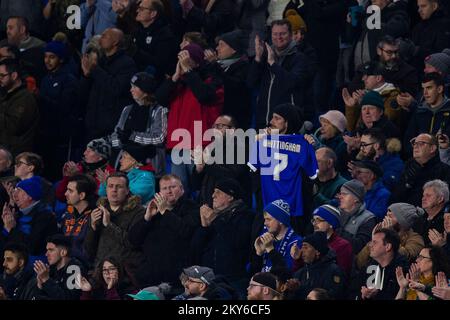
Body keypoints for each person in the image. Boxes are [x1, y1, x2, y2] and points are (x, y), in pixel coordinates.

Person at [156, 42, 224, 194]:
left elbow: (205, 96)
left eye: (187, 60)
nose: (183, 64)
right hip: (178, 146)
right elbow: (159, 98)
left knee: (201, 190)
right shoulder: (178, 84)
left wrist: (189, 71)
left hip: (201, 145)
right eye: (181, 60)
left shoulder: (211, 80)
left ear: (197, 61)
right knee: (179, 192)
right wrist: (174, 77)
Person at [128, 174, 200, 287]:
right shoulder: (152, 211)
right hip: (150, 276)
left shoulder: (191, 207)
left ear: (182, 189)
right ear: (159, 192)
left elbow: (186, 232)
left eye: (172, 187)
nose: (169, 191)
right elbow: (133, 240)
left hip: (179, 276)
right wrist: (146, 218)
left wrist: (165, 211)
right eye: (164, 188)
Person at [247, 19, 315, 127]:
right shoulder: (265, 56)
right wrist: (258, 58)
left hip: (286, 123)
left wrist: (273, 64)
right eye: (275, 34)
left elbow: (292, 82)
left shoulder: (300, 58)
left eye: (283, 34)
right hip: (264, 120)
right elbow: (251, 82)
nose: (278, 37)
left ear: (291, 35)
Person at [190, 178, 254, 293]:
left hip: (234, 281)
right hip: (210, 281)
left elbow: (237, 241)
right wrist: (204, 226)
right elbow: (195, 249)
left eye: (218, 192)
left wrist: (215, 219)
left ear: (230, 196)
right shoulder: (215, 218)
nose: (213, 196)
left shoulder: (246, 216)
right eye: (213, 192)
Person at [80, 27, 137, 141]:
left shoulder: (127, 63)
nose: (101, 38)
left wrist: (95, 69)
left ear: (115, 42)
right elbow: (83, 93)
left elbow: (116, 88)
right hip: (92, 123)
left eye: (105, 36)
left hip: (110, 127)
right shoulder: (100, 62)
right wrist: (86, 75)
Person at [107, 71, 168, 178]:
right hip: (124, 166)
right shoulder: (127, 109)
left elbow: (160, 138)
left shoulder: (159, 110)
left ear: (145, 91)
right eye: (131, 86)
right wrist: (121, 144)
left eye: (135, 87)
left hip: (149, 169)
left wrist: (132, 136)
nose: (131, 90)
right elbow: (116, 134)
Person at [37, 40, 80, 182]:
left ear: (61, 59)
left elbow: (64, 107)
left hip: (60, 135)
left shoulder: (69, 80)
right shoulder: (45, 79)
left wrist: (39, 97)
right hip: (44, 132)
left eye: (52, 57)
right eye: (45, 57)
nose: (47, 61)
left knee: (56, 172)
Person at [83, 172, 145, 266]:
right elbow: (88, 250)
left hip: (126, 271)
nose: (114, 190)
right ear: (106, 189)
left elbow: (133, 243)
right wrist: (93, 227)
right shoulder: (98, 211)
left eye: (119, 186)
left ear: (127, 190)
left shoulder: (138, 212)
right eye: (110, 186)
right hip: (101, 270)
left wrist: (109, 225)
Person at [191, 114, 251, 207]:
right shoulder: (213, 149)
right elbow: (196, 185)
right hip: (207, 206)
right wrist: (198, 169)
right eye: (213, 127)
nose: (215, 130)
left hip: (230, 210)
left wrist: (206, 162)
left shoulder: (241, 147)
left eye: (219, 126)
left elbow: (232, 175)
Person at [0, 176, 57, 264]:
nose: (14, 194)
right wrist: (6, 226)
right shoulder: (18, 214)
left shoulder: (45, 216)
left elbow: (32, 247)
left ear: (30, 196)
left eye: (19, 191)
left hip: (36, 262)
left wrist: (11, 229)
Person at [204, 30, 252, 129]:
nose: (217, 48)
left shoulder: (244, 66)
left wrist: (215, 65)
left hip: (237, 122)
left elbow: (234, 85)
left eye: (221, 45)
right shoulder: (221, 65)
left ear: (233, 49)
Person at [356, 203, 425, 269]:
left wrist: (390, 236)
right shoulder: (381, 235)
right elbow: (360, 262)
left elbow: (406, 256)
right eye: (386, 215)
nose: (385, 219)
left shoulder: (416, 239)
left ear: (402, 222)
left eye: (390, 216)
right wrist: (374, 240)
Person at [391, 134, 450, 207]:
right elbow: (394, 198)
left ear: (432, 148)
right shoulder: (407, 167)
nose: (415, 146)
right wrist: (407, 184)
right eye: (414, 143)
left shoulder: (445, 171)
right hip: (402, 213)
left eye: (421, 143)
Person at [355, 228, 409, 300]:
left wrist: (377, 294)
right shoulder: (368, 267)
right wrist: (363, 295)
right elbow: (353, 292)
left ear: (388, 247)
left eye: (375, 242)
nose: (370, 245)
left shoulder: (402, 272)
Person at [55, 138, 115, 203]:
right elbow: (61, 196)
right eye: (86, 150)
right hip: (72, 209)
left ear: (100, 157)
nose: (84, 153)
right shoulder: (79, 167)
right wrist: (67, 177)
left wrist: (77, 176)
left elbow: (93, 199)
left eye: (89, 151)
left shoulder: (110, 174)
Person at [404, 73, 450, 156]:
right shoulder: (419, 112)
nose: (425, 93)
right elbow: (408, 141)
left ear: (439, 89)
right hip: (419, 161)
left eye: (429, 88)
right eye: (423, 89)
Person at [0, 58, 39, 155]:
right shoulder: (5, 94)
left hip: (15, 154)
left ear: (14, 75)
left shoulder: (25, 98)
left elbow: (14, 127)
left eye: (2, 76)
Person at [130, 0, 178, 78]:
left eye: (141, 9)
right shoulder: (138, 30)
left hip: (154, 78)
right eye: (138, 8)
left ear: (153, 14)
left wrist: (136, 51)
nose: (137, 10)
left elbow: (160, 62)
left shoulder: (165, 35)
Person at [293, 231, 346, 299]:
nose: (302, 251)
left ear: (317, 252)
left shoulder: (334, 271)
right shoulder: (300, 273)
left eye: (306, 247)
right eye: (302, 247)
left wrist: (300, 289)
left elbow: (329, 296)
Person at [253, 199, 302, 272]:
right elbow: (253, 273)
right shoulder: (267, 240)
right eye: (265, 220)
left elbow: (287, 273)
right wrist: (258, 254)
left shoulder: (296, 243)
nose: (265, 223)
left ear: (281, 220)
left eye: (268, 219)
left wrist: (270, 249)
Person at [304, 205, 353, 277]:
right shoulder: (310, 241)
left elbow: (341, 275)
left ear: (331, 223)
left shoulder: (343, 246)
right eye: (313, 220)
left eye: (318, 220)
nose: (314, 224)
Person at [32, 234, 85, 300]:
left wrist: (46, 280)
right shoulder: (51, 269)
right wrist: (40, 285)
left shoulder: (75, 268)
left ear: (63, 252)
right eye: (47, 250)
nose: (46, 254)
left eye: (51, 250)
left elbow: (70, 298)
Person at [61, 174, 98, 266]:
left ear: (81, 195)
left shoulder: (96, 215)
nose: (65, 194)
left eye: (70, 191)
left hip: (85, 268)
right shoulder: (67, 214)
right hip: (67, 266)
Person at [336, 179, 377, 254]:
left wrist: (335, 231)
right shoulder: (334, 212)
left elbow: (359, 246)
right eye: (340, 193)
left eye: (344, 194)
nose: (340, 197)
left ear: (356, 198)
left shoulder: (368, 219)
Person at [410, 0, 450, 72]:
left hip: (435, 76)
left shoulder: (445, 25)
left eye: (423, 6)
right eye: (418, 7)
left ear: (434, 6)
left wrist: (416, 50)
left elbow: (442, 56)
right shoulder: (418, 27)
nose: (419, 10)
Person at [305, 111, 348, 175]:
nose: (321, 129)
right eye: (321, 125)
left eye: (325, 125)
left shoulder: (343, 144)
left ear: (335, 127)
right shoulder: (322, 140)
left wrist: (318, 147)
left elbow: (334, 165)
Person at [414, 180, 448, 246]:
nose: (423, 199)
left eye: (428, 196)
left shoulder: (446, 223)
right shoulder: (419, 219)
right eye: (423, 195)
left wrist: (442, 246)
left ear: (440, 199)